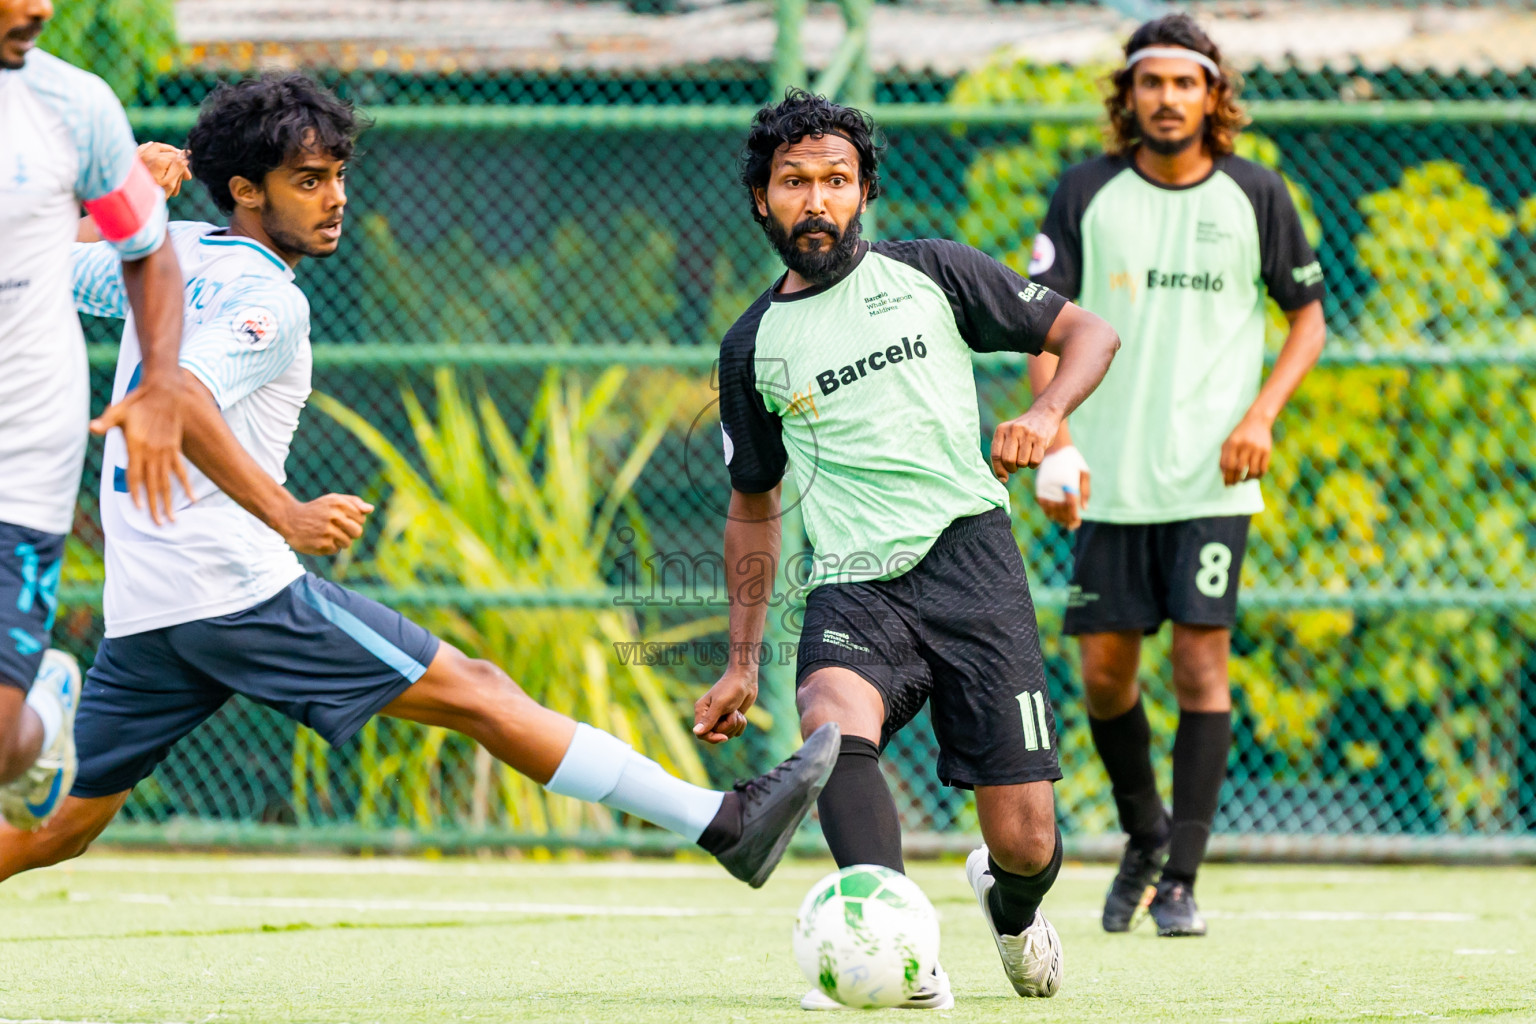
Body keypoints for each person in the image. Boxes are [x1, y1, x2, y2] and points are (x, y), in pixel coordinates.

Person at [0, 73, 839, 891]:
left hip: (154, 603)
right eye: (308, 181)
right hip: (234, 590)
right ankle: (725, 823)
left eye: (337, 176)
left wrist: (116, 209)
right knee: (479, 689)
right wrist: (288, 514)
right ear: (246, 190)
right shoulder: (270, 299)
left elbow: (30, 264)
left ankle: (725, 825)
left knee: (58, 831)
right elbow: (178, 397)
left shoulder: (171, 249)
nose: (336, 198)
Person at [691, 90, 1120, 1008]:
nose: (816, 200)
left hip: (973, 563)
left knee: (1027, 843)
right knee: (829, 725)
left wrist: (1046, 413)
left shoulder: (934, 272)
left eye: (835, 181)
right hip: (853, 587)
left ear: (864, 191)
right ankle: (896, 954)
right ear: (761, 199)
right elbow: (753, 507)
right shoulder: (751, 346)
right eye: (794, 182)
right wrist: (738, 663)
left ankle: (1008, 910)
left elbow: (1089, 331)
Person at [1027, 13, 1326, 936]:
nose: (1167, 99)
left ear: (1212, 96)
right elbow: (1042, 325)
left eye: (1185, 83)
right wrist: (1057, 435)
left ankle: (1182, 880)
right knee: (1105, 676)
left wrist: (1260, 416)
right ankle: (1145, 832)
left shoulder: (1257, 193)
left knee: (1202, 661)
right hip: (1106, 481)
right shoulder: (1084, 192)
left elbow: (1309, 318)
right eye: (1151, 83)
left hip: (1210, 480)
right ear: (1130, 96)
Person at [0, 0, 189, 831]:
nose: (39, 7)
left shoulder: (75, 106)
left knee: (2, 749)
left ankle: (38, 711)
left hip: (23, 440)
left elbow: (144, 248)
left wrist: (160, 388)